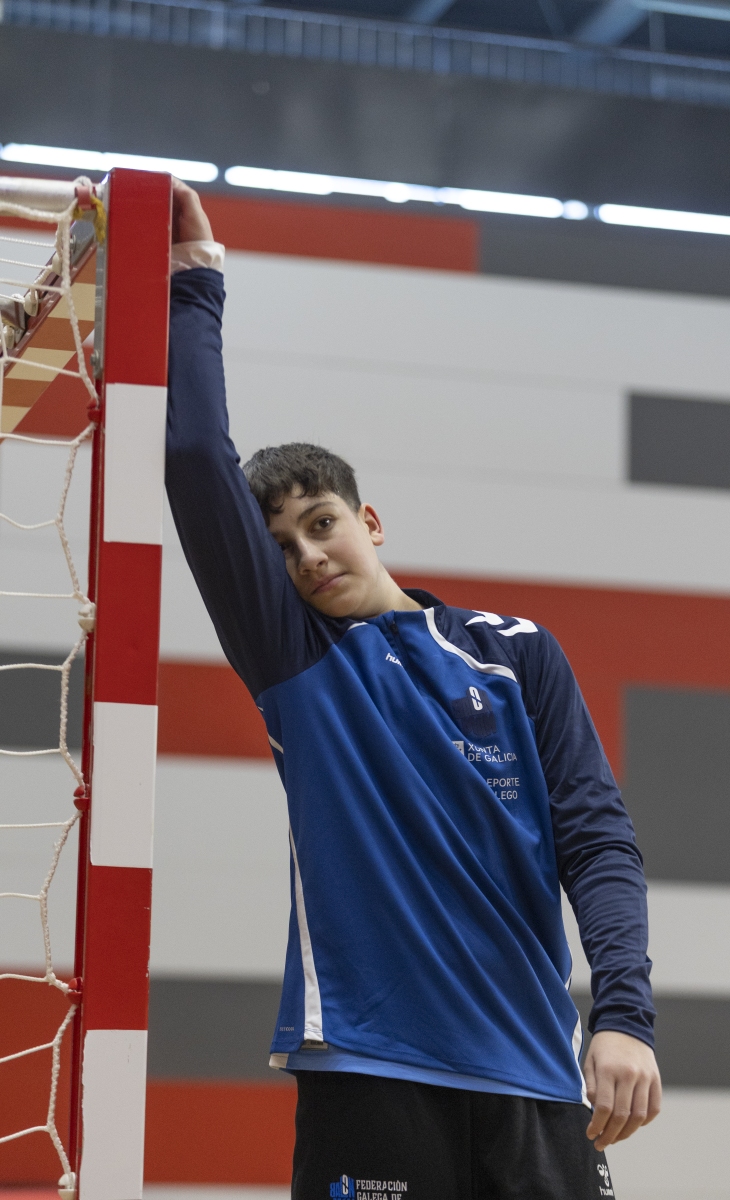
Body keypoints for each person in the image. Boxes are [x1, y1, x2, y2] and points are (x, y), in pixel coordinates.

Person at [166, 179, 661, 1200]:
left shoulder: (515, 652)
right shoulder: (293, 657)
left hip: (536, 1075)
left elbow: (596, 841)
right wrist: (195, 287)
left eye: (321, 523)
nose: (307, 556)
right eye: (280, 546)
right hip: (371, 1070)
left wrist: (622, 1016)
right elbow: (193, 459)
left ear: (371, 521)